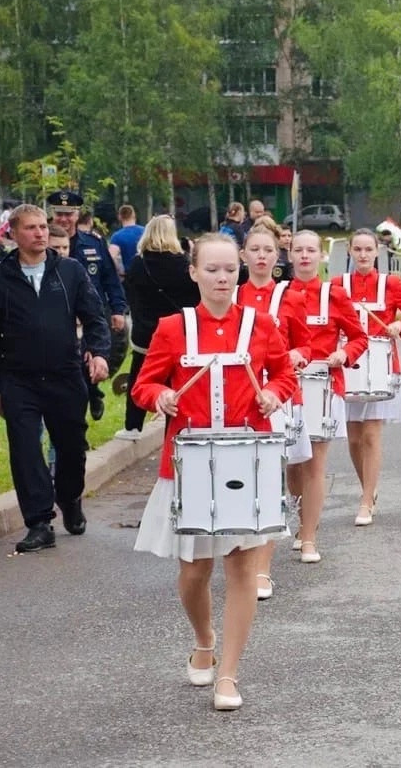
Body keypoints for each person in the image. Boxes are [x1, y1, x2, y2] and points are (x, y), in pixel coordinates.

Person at [131, 233, 298, 711]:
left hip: (248, 460)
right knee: (194, 570)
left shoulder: (262, 324)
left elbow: (284, 374)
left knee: (243, 567)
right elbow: (146, 384)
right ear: (194, 272)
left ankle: (228, 673)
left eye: (229, 269)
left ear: (240, 270)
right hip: (189, 463)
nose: (223, 278)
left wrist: (275, 394)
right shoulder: (171, 328)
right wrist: (160, 397)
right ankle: (204, 637)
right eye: (212, 269)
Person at [0, 204, 110, 552]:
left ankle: (70, 498)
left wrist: (100, 352)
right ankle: (39, 522)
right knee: (26, 448)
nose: (41, 233)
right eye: (31, 228)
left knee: (71, 447)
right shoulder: (3, 275)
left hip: (64, 373)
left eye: (43, 227)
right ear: (13, 234)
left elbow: (94, 316)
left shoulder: (70, 271)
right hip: (18, 378)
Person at [235, 219, 313, 599]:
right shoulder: (231, 296)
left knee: (271, 480)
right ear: (243, 255)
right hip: (236, 399)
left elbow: (305, 345)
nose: (262, 256)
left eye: (268, 250)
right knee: (240, 481)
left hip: (276, 396)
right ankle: (241, 560)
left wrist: (297, 353)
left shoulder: (291, 296)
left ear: (277, 255)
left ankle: (262, 569)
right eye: (255, 250)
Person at [333, 228, 401, 526]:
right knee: (353, 437)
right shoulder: (337, 286)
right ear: (349, 251)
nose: (363, 255)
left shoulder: (391, 284)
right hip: (349, 365)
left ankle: (365, 500)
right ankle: (368, 490)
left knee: (371, 434)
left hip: (380, 368)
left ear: (377, 252)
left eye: (368, 250)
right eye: (357, 249)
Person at [286, 230, 369, 563]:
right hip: (288, 387)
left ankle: (309, 536)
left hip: (323, 386)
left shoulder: (334, 295)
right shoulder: (279, 294)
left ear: (320, 256)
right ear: (289, 255)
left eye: (310, 250)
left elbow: (358, 337)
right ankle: (301, 514)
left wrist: (343, 355)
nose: (304, 256)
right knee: (292, 466)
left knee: (315, 464)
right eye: (298, 250)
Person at [119, 215, 200, 439]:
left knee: (139, 376)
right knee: (180, 381)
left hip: (146, 332)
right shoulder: (183, 264)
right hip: (179, 331)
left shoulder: (138, 263)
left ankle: (133, 425)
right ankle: (180, 428)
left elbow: (131, 296)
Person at [50, 190, 127, 421]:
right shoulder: (43, 243)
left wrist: (118, 309)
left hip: (90, 313)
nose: (64, 219)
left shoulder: (93, 243)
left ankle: (91, 393)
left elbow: (110, 278)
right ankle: (85, 398)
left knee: (90, 358)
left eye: (69, 214)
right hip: (57, 314)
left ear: (77, 214)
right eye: (59, 214)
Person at [108, 204, 144, 277]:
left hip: (129, 276)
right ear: (134, 215)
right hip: (147, 274)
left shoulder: (117, 237)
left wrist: (119, 271)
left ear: (120, 217)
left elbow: (111, 258)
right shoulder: (146, 232)